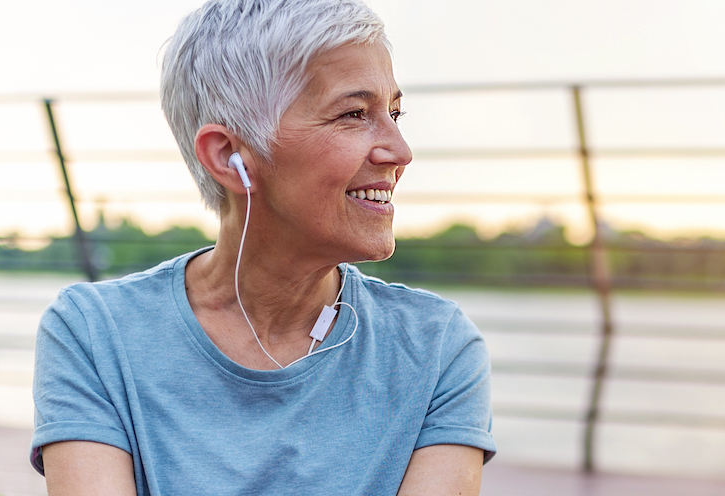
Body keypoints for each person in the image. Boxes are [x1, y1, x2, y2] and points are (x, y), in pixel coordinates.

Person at [28, 0, 494, 494]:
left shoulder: (437, 347)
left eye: (394, 112)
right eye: (354, 114)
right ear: (231, 158)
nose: (400, 152)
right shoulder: (95, 334)